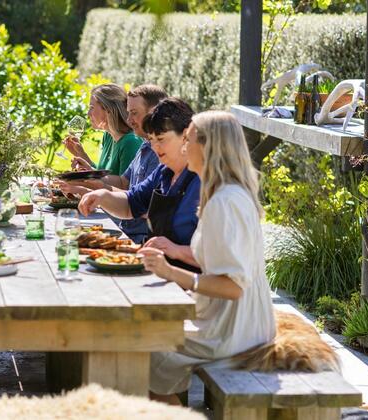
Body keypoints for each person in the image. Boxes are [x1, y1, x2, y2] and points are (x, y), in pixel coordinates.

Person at [138, 111, 275, 405]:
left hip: (233, 329)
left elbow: (232, 287)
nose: (183, 147)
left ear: (209, 146)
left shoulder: (225, 202)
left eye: (188, 140)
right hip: (229, 319)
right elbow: (220, 262)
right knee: (141, 345)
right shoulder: (223, 195)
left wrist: (171, 273)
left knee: (138, 355)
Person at [78, 98, 200, 269]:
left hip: (190, 284)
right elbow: (131, 204)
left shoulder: (203, 181)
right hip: (157, 272)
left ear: (185, 136)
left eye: (161, 139)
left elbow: (219, 258)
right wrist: (102, 197)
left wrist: (176, 250)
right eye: (151, 139)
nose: (155, 147)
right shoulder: (163, 172)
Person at [61, 84, 168, 243]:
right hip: (125, 227)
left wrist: (91, 187)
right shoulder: (145, 145)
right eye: (128, 112)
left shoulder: (151, 150)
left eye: (133, 113)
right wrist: (89, 178)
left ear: (154, 113)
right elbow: (123, 182)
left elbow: (140, 204)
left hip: (138, 236)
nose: (128, 119)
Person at [62, 83, 143, 176]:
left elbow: (124, 187)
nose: (88, 113)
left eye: (91, 108)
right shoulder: (108, 136)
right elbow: (103, 176)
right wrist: (81, 154)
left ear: (108, 109)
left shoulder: (131, 142)